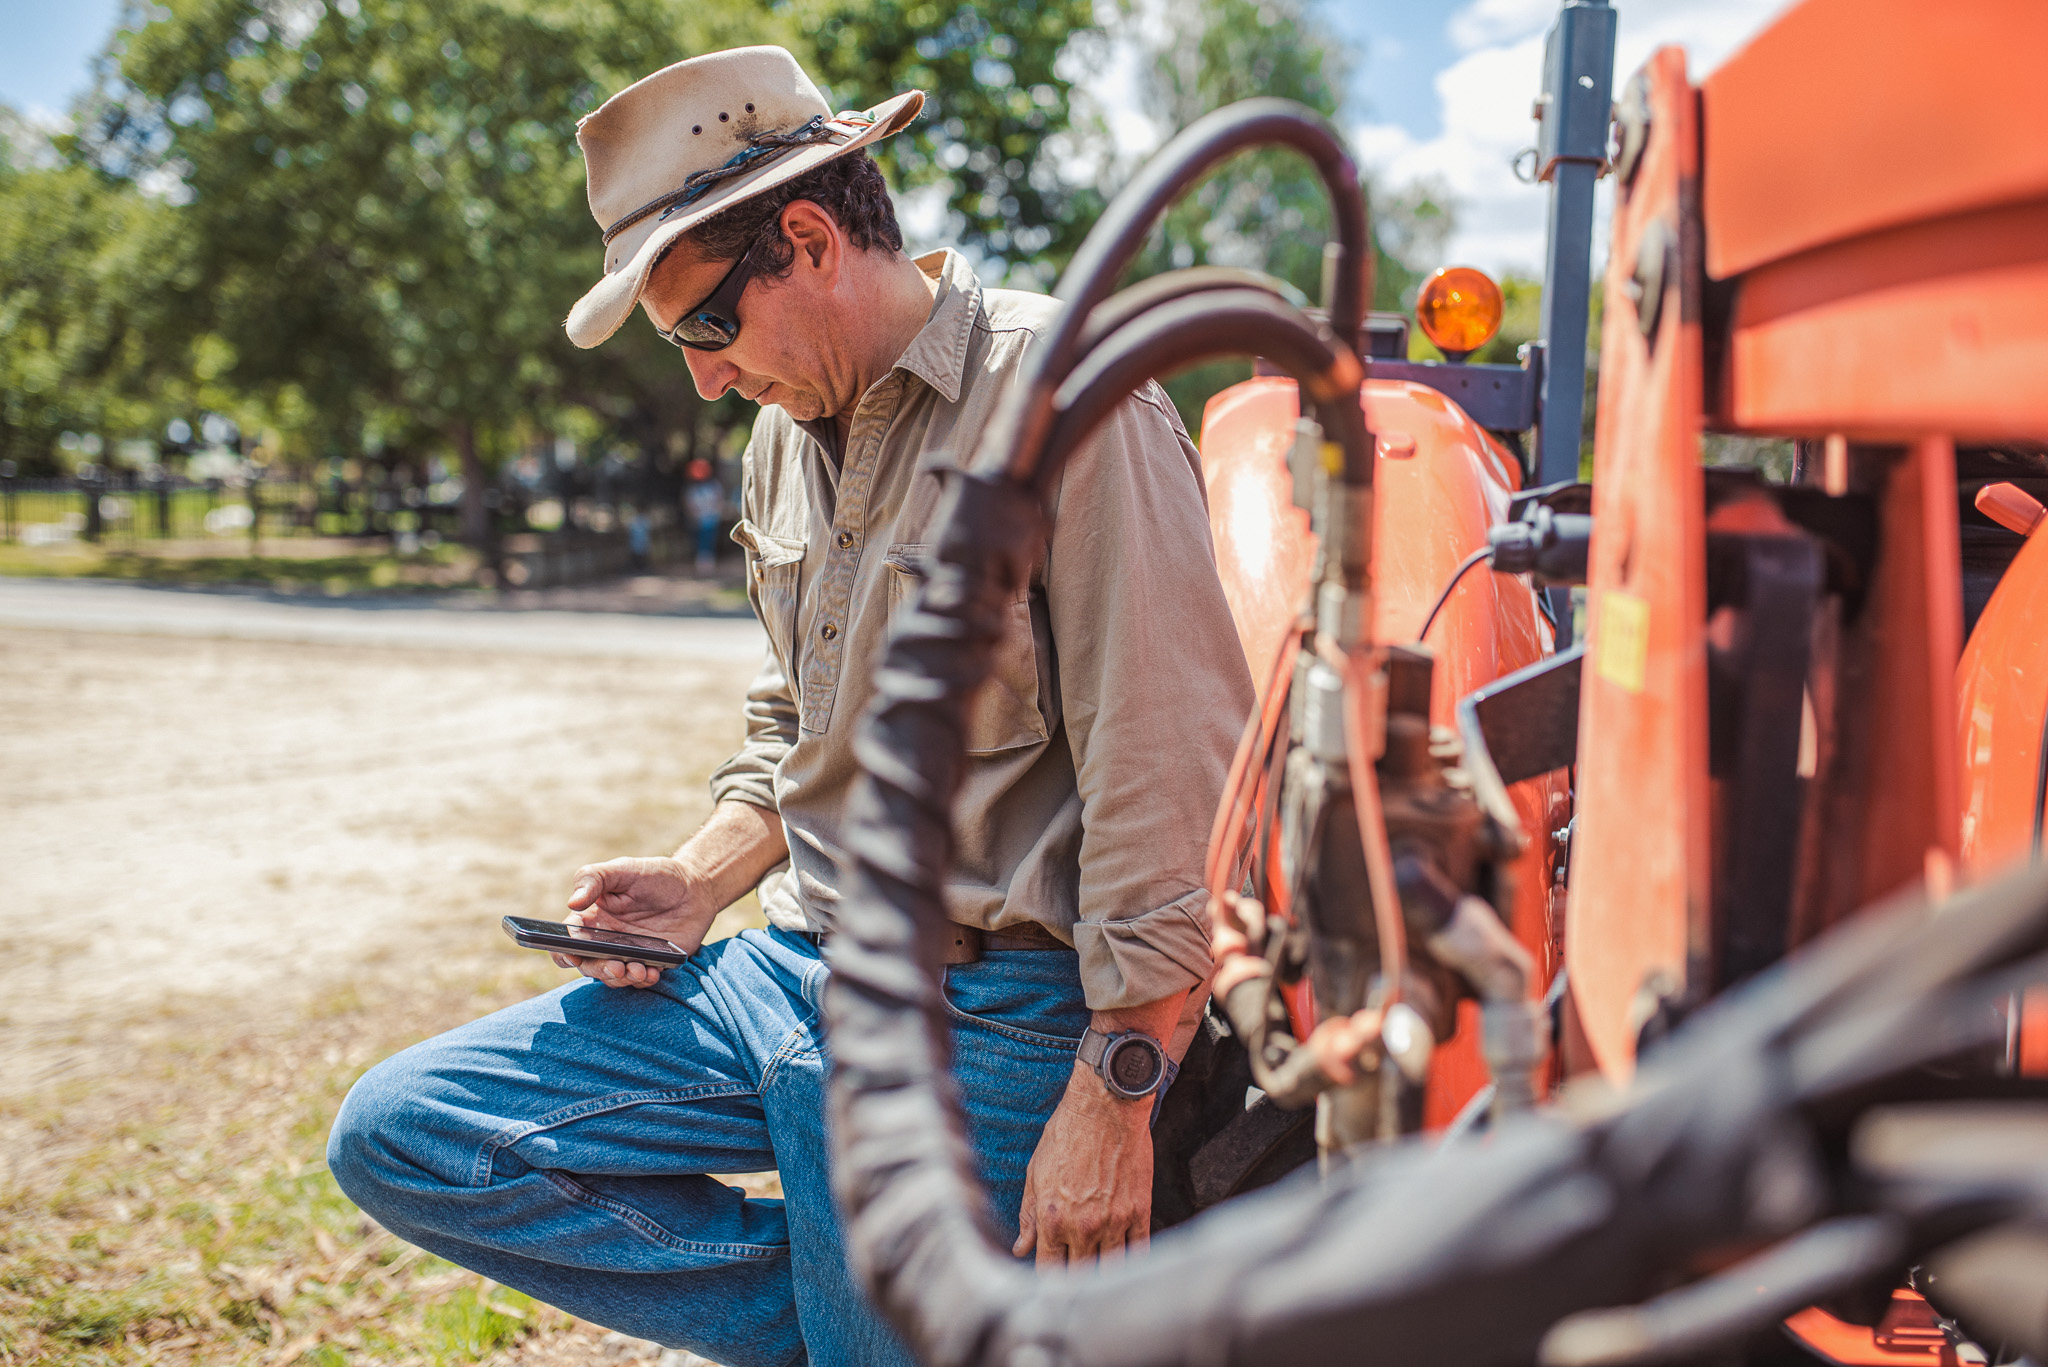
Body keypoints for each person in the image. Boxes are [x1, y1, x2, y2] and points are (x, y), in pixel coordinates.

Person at [327, 45, 1254, 1367]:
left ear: (810, 238)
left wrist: (1114, 1098)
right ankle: (868, 1324)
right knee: (405, 1132)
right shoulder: (780, 432)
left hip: (992, 1014)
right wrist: (701, 878)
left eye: (706, 327)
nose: (703, 378)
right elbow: (793, 730)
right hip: (789, 967)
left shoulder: (1066, 392)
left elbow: (1171, 776)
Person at [685, 458, 724, 575]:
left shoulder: (713, 486)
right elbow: (688, 503)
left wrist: (716, 512)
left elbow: (719, 500)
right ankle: (701, 565)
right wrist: (693, 515)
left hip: (711, 519)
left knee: (709, 541)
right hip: (699, 519)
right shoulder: (692, 489)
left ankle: (707, 565)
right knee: (700, 542)